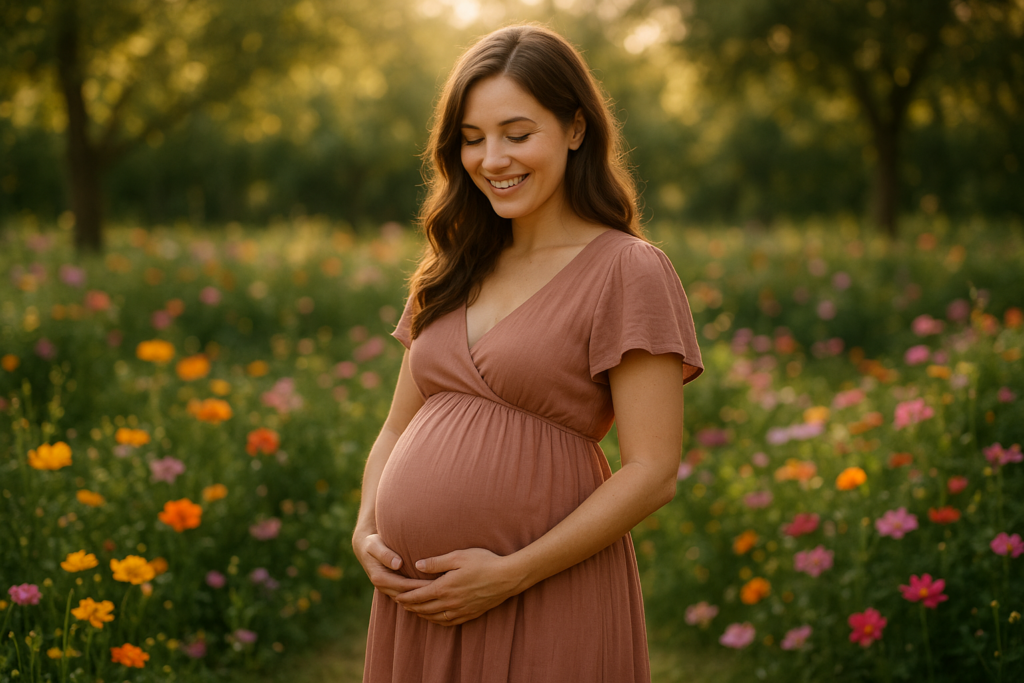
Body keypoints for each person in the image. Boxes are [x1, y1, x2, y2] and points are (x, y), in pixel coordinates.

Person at [351, 23, 703, 682]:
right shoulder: (457, 263)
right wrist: (366, 527)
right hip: (415, 606)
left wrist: (508, 574)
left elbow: (653, 470)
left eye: (517, 134)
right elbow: (397, 424)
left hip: (543, 590)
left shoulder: (628, 269)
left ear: (575, 129)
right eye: (473, 139)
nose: (493, 159)